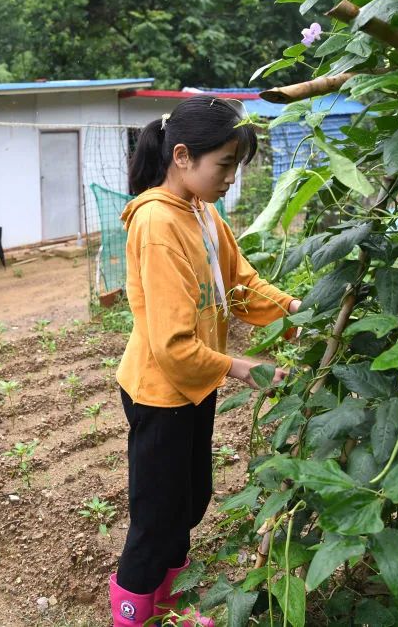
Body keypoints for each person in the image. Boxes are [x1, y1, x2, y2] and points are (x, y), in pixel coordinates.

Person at [109, 96, 301, 626]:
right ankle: (133, 612)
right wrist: (245, 368)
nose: (231, 179)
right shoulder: (156, 223)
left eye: (236, 166)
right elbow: (171, 345)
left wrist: (297, 310)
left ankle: (166, 604)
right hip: (160, 389)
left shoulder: (203, 213)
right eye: (225, 165)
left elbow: (239, 285)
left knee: (190, 500)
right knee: (156, 518)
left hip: (193, 386)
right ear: (183, 157)